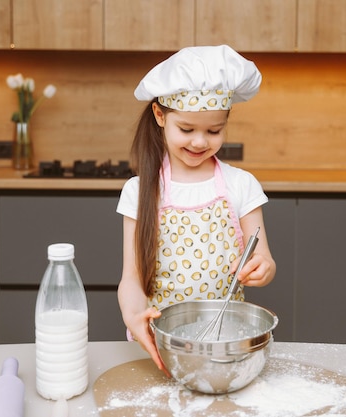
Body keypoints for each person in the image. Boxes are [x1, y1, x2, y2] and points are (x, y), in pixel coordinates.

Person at [116, 45, 276, 375]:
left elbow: (265, 261)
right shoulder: (139, 191)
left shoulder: (240, 185)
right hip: (165, 346)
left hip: (228, 344)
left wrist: (262, 269)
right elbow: (131, 279)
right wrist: (133, 314)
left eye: (214, 131)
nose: (200, 142)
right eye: (187, 129)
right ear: (160, 116)